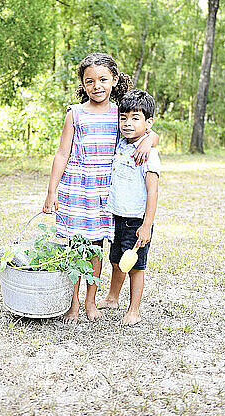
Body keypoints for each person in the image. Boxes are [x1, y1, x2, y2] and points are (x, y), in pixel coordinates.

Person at [43, 53, 158, 322]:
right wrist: (51, 191)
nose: (97, 86)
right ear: (83, 84)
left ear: (114, 80)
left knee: (96, 249)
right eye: (90, 80)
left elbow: (148, 130)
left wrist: (148, 140)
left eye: (103, 79)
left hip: (104, 193)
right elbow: (62, 153)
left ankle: (90, 302)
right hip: (77, 189)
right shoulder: (75, 113)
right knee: (75, 247)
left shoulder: (120, 114)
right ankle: (72, 302)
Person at [98, 89, 160, 325]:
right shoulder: (121, 144)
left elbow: (153, 192)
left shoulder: (149, 156)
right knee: (117, 260)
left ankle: (134, 310)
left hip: (136, 220)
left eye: (135, 118)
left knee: (135, 266)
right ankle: (113, 297)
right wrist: (146, 137)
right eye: (123, 117)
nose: (128, 123)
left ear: (148, 122)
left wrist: (146, 225)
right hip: (116, 216)